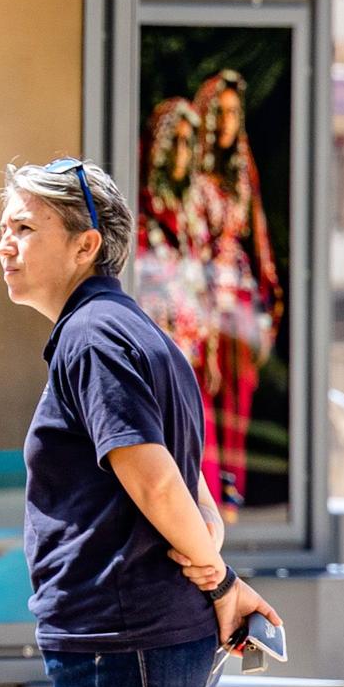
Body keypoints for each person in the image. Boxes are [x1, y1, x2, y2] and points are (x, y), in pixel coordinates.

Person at [0, 157, 281, 687]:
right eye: (4, 223)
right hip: (143, 645)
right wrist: (215, 572)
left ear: (86, 244)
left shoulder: (92, 340)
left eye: (24, 227)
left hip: (118, 650)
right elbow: (201, 502)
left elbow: (161, 484)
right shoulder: (138, 334)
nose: (3, 242)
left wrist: (223, 579)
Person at [189, 71, 282, 517]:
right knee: (205, 395)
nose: (226, 123)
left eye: (233, 114)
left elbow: (256, 236)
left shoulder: (242, 169)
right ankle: (206, 495)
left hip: (238, 299)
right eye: (219, 113)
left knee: (239, 399)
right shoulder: (192, 173)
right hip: (201, 300)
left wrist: (266, 308)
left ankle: (233, 493)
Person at [136, 98, 220, 504]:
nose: (183, 153)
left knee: (195, 430)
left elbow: (202, 270)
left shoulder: (194, 207)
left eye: (190, 143)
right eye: (176, 142)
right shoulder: (144, 209)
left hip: (193, 338)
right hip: (158, 337)